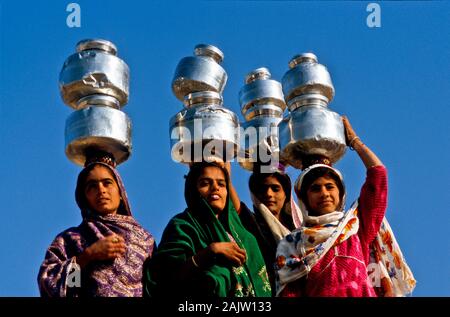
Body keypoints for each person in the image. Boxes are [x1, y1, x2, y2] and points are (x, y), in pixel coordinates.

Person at [275, 116, 416, 297]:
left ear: (340, 193)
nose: (324, 193)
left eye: (330, 187)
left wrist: (354, 141)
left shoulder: (356, 228)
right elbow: (290, 294)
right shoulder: (292, 244)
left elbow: (378, 175)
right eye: (315, 189)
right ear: (303, 198)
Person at [143, 161, 271, 297]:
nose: (215, 188)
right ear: (193, 189)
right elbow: (165, 279)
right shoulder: (182, 226)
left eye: (221, 184)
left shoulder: (245, 237)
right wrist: (211, 252)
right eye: (205, 183)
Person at [38, 154, 155, 297]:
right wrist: (87, 256)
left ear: (120, 192)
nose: (101, 190)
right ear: (84, 197)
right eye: (92, 186)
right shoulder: (70, 240)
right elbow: (52, 285)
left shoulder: (145, 240)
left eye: (107, 183)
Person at [239, 164, 302, 295]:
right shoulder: (251, 223)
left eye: (275, 189)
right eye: (262, 189)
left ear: (286, 194)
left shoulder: (300, 229)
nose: (268, 194)